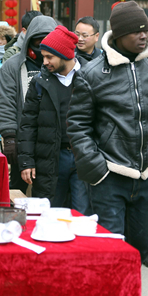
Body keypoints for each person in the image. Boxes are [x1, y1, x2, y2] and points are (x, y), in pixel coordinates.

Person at [66, 1, 148, 269]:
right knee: (111, 252)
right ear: (118, 35)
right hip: (109, 174)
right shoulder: (92, 74)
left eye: (145, 30)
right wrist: (97, 169)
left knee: (144, 242)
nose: (144, 35)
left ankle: (144, 255)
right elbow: (78, 125)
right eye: (136, 31)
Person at [18, 25, 91, 213]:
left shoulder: (91, 77)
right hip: (50, 156)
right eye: (43, 56)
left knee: (82, 212)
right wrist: (26, 161)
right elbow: (28, 123)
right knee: (50, 211)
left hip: (83, 155)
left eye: (49, 57)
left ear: (65, 54)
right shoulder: (40, 82)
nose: (45, 61)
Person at [0, 15, 57, 194]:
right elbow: (6, 101)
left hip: (52, 139)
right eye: (38, 41)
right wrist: (10, 136)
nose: (42, 47)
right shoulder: (12, 66)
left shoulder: (61, 66)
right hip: (21, 137)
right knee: (16, 188)